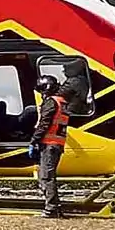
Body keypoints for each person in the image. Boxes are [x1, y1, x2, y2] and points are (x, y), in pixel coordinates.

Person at [28, 75, 68, 218]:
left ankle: (51, 208)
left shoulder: (51, 102)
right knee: (46, 176)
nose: (41, 95)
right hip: (57, 144)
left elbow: (45, 123)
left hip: (49, 144)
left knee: (46, 177)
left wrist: (34, 140)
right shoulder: (61, 102)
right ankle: (55, 207)